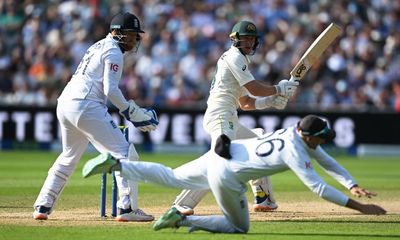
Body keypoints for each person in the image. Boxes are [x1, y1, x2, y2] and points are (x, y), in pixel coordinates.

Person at [82, 114, 387, 233]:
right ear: (309, 136)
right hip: (227, 175)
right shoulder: (296, 150)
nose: (322, 143)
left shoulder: (292, 134)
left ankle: (117, 164)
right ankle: (182, 218)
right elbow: (319, 188)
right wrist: (363, 208)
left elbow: (326, 160)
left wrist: (352, 183)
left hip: (216, 155)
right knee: (239, 227)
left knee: (172, 176)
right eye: (321, 137)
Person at [33, 12, 159, 222]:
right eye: (128, 35)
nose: (132, 40)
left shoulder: (98, 45)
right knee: (124, 152)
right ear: (115, 32)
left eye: (135, 36)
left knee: (68, 157)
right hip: (86, 104)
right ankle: (127, 208)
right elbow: (110, 90)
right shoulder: (113, 51)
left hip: (65, 103)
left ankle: (43, 205)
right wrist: (129, 111)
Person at [171, 20, 299, 215]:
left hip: (229, 116)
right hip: (220, 115)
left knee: (258, 144)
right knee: (219, 159)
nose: (248, 43)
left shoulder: (242, 61)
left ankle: (264, 197)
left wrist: (271, 101)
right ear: (235, 40)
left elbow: (245, 102)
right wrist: (278, 89)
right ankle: (181, 204)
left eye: (252, 39)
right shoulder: (234, 57)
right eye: (245, 39)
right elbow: (255, 88)